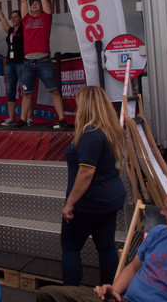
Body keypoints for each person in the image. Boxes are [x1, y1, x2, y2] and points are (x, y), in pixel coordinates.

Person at [37, 186, 167, 302]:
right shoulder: (160, 233)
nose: (161, 214)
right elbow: (132, 268)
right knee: (49, 295)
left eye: (166, 210)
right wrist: (115, 289)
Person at [60, 86, 126, 286]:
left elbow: (86, 172)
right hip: (110, 198)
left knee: (70, 247)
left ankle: (70, 296)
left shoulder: (90, 134)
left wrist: (70, 203)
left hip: (89, 201)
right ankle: (110, 292)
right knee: (106, 248)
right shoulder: (111, 130)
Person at [19, 0, 67, 129]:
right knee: (26, 94)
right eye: (32, 4)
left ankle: (61, 119)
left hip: (44, 62)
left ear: (41, 7)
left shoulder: (46, 17)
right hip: (28, 63)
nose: (34, 4)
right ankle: (22, 120)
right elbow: (23, 0)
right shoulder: (25, 19)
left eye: (37, 3)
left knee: (53, 91)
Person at [0, 0, 27, 128]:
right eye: (12, 17)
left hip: (21, 63)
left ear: (20, 18)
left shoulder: (25, 30)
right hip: (10, 64)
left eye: (16, 17)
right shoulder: (10, 31)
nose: (13, 18)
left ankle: (27, 118)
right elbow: (2, 18)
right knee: (11, 90)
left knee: (25, 91)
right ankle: (12, 117)